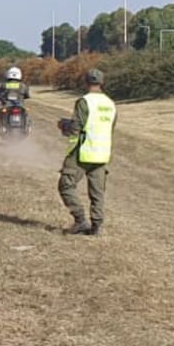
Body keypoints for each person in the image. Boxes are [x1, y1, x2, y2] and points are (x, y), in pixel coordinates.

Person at [58, 68, 118, 235]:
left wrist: (64, 126)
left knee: (65, 185)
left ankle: (80, 220)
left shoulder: (84, 102)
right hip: (102, 154)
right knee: (97, 192)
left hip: (82, 151)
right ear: (102, 82)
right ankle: (97, 226)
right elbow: (109, 127)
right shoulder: (110, 104)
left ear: (85, 82)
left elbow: (75, 129)